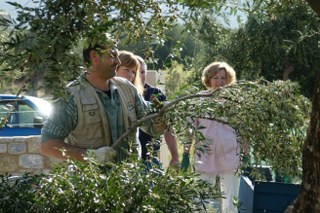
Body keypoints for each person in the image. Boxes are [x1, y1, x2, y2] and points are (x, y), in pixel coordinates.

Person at [40, 33, 166, 164]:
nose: (118, 62)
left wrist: (162, 118)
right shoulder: (71, 96)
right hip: (93, 183)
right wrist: (89, 156)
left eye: (117, 56)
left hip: (130, 180)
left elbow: (150, 125)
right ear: (94, 56)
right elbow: (47, 145)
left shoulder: (127, 88)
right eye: (112, 56)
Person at [190, 61, 240, 213]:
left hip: (229, 153)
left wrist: (245, 147)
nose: (219, 82)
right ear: (208, 79)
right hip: (204, 153)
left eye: (223, 78)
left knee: (230, 201)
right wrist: (186, 150)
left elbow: (242, 127)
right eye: (216, 78)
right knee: (201, 200)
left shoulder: (235, 101)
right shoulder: (198, 99)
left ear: (228, 79)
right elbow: (190, 127)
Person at [136, 55, 179, 166]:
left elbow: (168, 128)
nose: (139, 76)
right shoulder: (120, 94)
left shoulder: (155, 93)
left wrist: (174, 156)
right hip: (128, 161)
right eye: (135, 72)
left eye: (142, 72)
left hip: (150, 159)